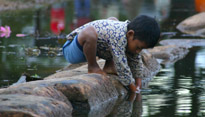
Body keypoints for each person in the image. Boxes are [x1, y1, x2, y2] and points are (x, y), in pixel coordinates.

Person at [63, 15, 160, 93]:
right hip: (73, 50)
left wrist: (139, 84)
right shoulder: (119, 37)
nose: (138, 51)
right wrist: (133, 88)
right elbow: (122, 67)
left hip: (96, 48)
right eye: (138, 48)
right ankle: (93, 67)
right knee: (90, 33)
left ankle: (109, 66)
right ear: (130, 34)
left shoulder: (128, 33)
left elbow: (136, 59)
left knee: (113, 20)